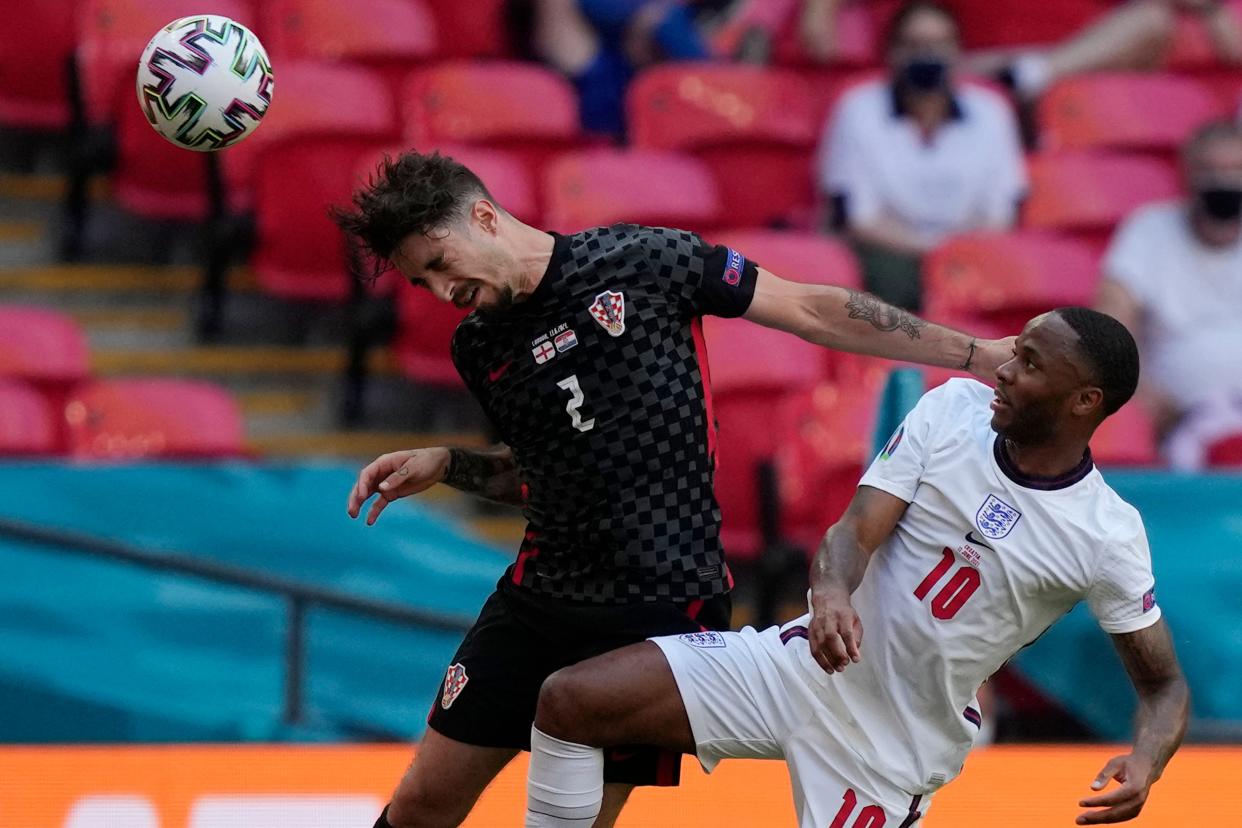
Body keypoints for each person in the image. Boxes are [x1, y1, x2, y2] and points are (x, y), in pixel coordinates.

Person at [332, 150, 1013, 828]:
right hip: (539, 600)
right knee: (419, 808)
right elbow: (541, 474)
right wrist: (449, 463)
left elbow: (810, 308)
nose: (442, 292)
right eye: (422, 283)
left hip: (656, 606)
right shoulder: (478, 346)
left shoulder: (644, 260)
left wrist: (978, 355)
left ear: (482, 216)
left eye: (441, 264)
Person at [524, 308, 1189, 828]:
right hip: (798, 668)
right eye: (1016, 350)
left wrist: (1145, 762)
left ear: (1084, 402)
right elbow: (856, 530)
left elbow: (1164, 688)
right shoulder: (951, 410)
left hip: (891, 749)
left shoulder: (1106, 534)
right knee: (569, 700)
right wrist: (833, 590)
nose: (1007, 368)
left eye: (1032, 363)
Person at [818, 1, 1027, 310]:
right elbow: (856, 218)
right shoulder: (857, 110)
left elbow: (1001, 214)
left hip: (973, 252)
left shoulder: (991, 112)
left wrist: (950, 252)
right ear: (891, 52)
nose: (927, 56)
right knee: (888, 282)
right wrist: (932, 250)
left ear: (958, 52)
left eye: (939, 45)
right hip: (888, 255)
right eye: (914, 45)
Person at [1095, 120, 1242, 468]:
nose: (1223, 182)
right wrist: (1133, 389)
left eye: (1235, 170)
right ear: (1187, 175)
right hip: (1176, 421)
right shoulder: (1149, 230)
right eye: (1210, 170)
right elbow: (1111, 318)